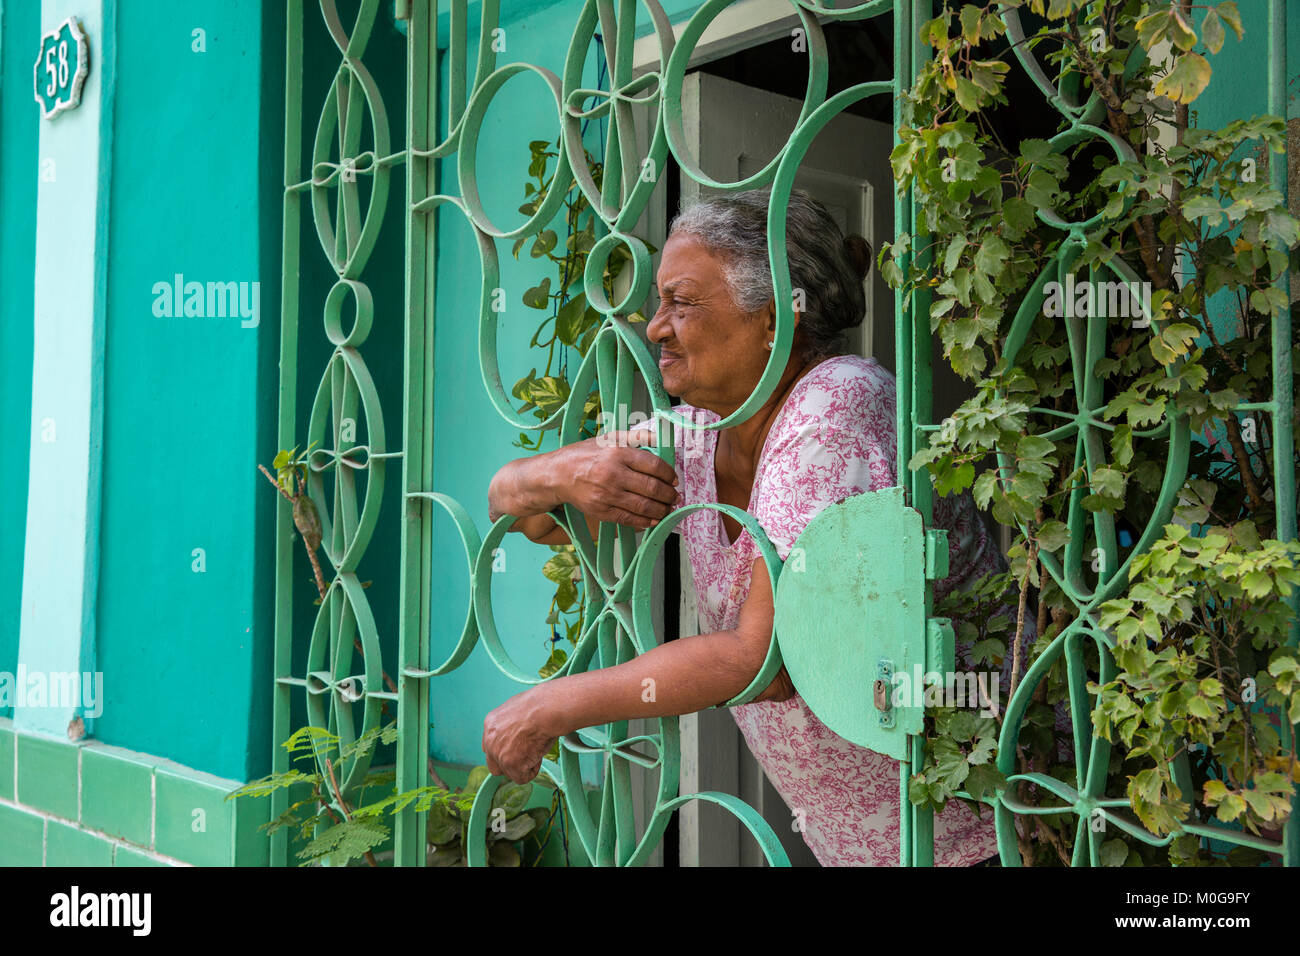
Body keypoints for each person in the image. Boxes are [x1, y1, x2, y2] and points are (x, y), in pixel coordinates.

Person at [482, 188, 1021, 865]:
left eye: (683, 302)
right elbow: (531, 521)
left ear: (774, 318)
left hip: (979, 828)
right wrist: (555, 477)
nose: (656, 326)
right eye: (659, 303)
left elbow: (765, 662)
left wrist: (551, 708)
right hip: (872, 843)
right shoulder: (703, 434)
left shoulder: (835, 407)